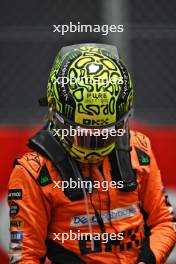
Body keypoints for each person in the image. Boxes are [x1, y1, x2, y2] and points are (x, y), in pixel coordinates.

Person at [8, 43, 176, 264]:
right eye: (85, 136)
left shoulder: (139, 148)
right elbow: (23, 254)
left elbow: (165, 221)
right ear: (55, 114)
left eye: (106, 134)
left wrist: (148, 260)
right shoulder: (32, 172)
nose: (95, 146)